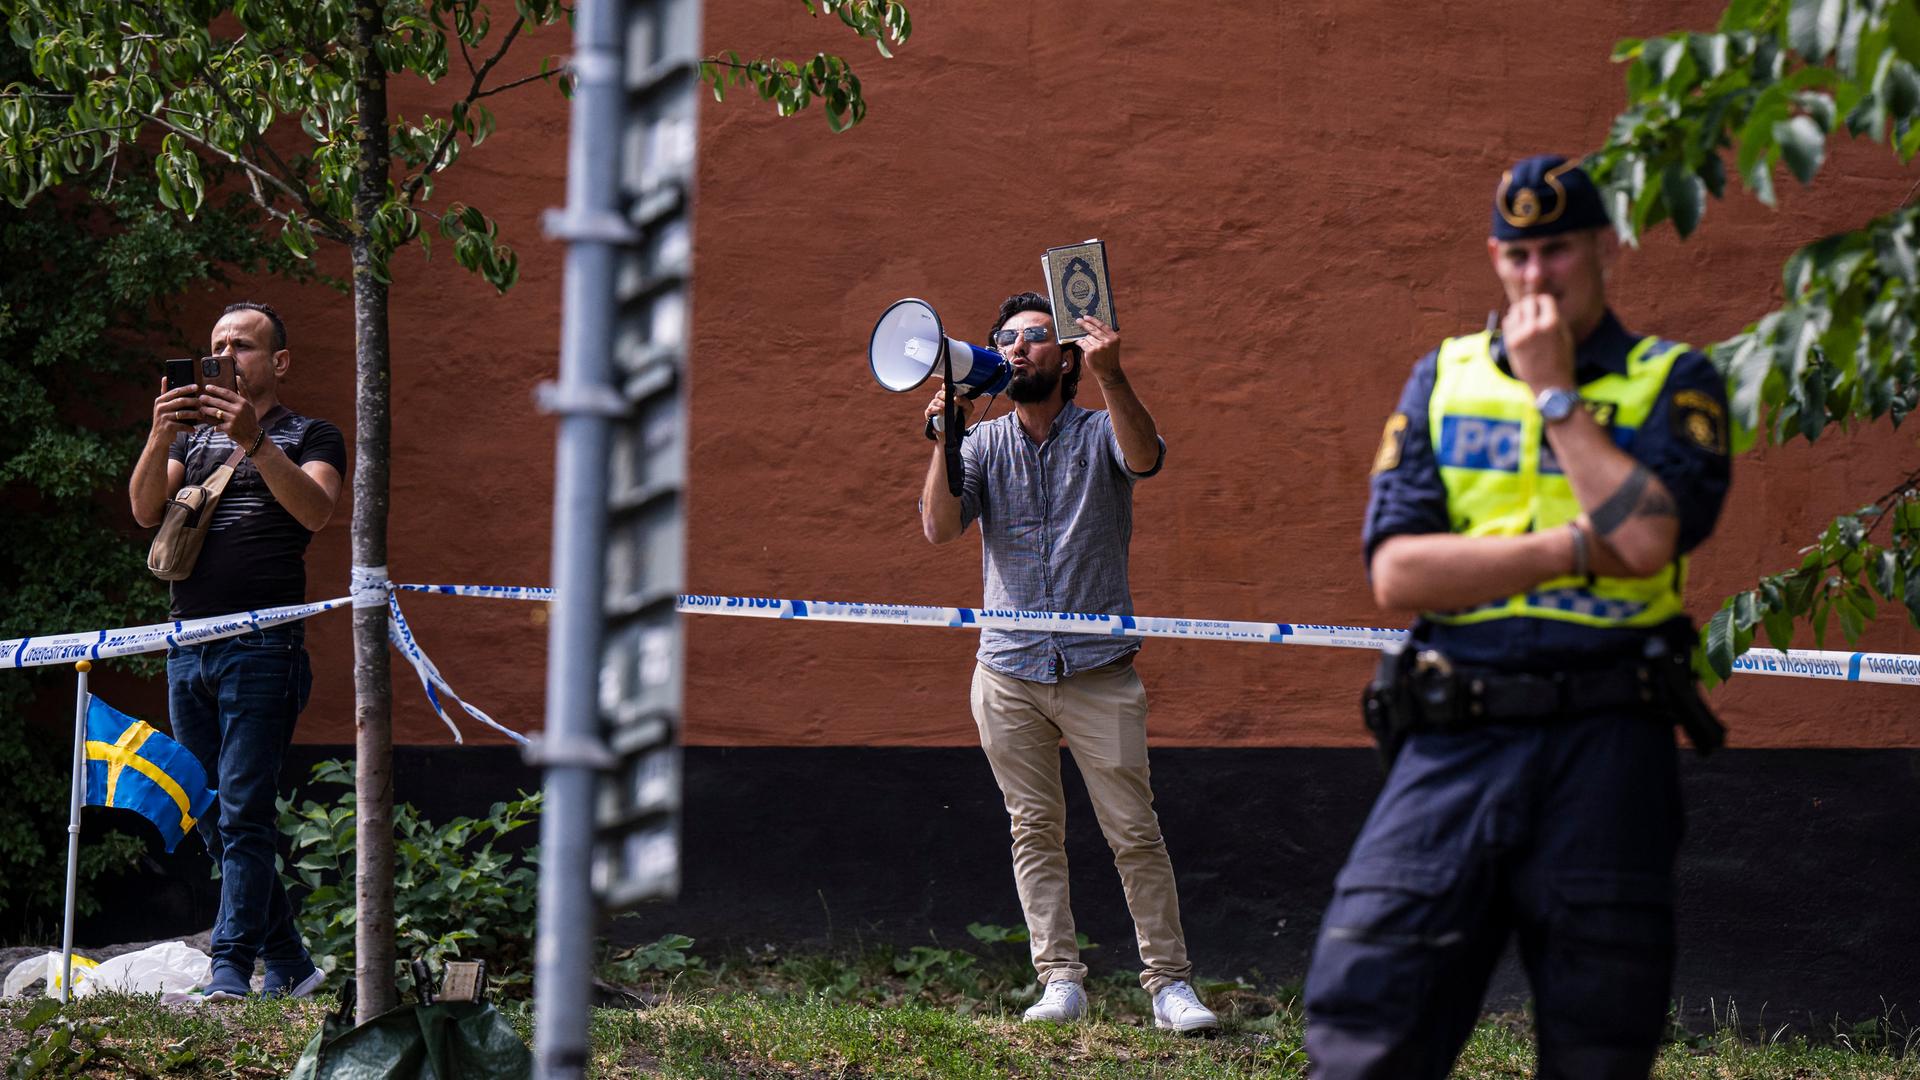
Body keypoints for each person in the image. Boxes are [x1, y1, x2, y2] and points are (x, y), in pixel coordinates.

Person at [1303, 155, 1734, 1077]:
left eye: (1559, 251)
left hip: (1610, 744)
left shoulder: (1674, 381)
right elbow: (1398, 571)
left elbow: (1654, 539)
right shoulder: (1442, 379)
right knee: (1363, 1022)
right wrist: (1578, 546)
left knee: (1598, 1043)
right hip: (1455, 739)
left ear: (1602, 249)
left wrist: (1555, 397)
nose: (1538, 276)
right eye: (1519, 256)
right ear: (1496, 258)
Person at [918, 292, 1217, 1032]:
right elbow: (938, 529)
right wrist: (943, 441)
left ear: (1068, 358)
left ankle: (1168, 985)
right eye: (1006, 339)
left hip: (1097, 673)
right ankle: (1059, 980)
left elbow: (1145, 458)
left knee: (1134, 833)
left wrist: (1116, 376)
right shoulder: (983, 444)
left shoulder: (1097, 431)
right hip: (1008, 671)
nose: (1017, 348)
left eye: (1035, 338)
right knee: (1033, 831)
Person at [129, 302, 346, 1001]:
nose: (227, 356)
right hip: (187, 648)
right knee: (210, 809)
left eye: (243, 347)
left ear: (277, 362)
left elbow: (316, 511)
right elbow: (142, 512)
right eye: (217, 345)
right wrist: (159, 431)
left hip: (263, 647)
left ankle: (231, 970)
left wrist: (255, 443)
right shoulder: (189, 442)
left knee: (245, 808)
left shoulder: (311, 433)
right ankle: (291, 963)